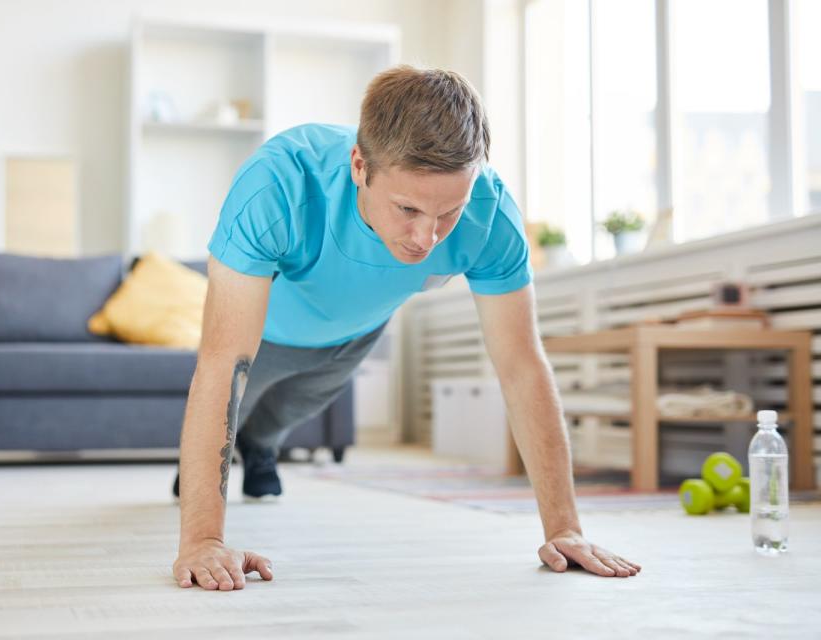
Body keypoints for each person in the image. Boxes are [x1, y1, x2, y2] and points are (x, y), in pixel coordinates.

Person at [172, 65, 642, 591]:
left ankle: (260, 447)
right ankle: (202, 474)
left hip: (355, 334)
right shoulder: (277, 185)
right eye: (408, 208)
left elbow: (521, 365)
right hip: (268, 333)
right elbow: (222, 361)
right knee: (244, 399)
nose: (427, 237)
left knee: (286, 414)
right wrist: (203, 539)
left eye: (449, 213)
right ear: (359, 165)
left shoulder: (491, 217)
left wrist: (566, 528)